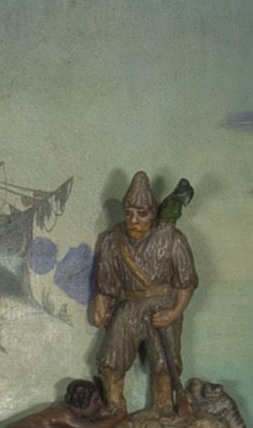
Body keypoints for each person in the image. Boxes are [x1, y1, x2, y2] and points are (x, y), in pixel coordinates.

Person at [85, 174, 198, 413]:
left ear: (153, 213)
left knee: (165, 364)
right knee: (111, 360)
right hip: (129, 305)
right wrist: (101, 306)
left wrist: (174, 312)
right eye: (129, 214)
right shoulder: (112, 240)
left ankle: (163, 410)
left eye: (142, 214)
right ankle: (114, 410)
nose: (134, 220)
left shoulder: (172, 239)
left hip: (163, 305)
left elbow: (186, 283)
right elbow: (105, 282)